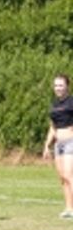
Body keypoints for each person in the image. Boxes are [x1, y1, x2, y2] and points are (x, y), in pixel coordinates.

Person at [41, 73, 73, 218]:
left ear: (67, 86)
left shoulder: (71, 102)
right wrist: (47, 145)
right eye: (56, 85)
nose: (58, 88)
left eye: (61, 85)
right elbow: (53, 127)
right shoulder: (54, 104)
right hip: (58, 144)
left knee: (69, 175)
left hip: (70, 142)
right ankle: (68, 208)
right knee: (62, 177)